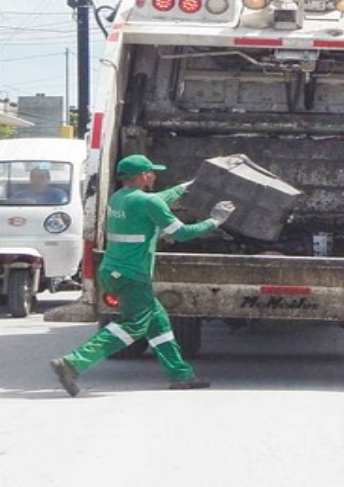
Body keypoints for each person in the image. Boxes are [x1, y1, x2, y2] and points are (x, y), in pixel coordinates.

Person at [49, 154, 235, 397]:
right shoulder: (147, 202)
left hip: (112, 270)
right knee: (134, 326)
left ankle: (181, 374)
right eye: (152, 171)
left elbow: (156, 200)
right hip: (132, 275)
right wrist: (215, 221)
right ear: (143, 176)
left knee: (159, 323)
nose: (155, 175)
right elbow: (182, 233)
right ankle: (74, 362)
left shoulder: (120, 197)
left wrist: (185, 187)